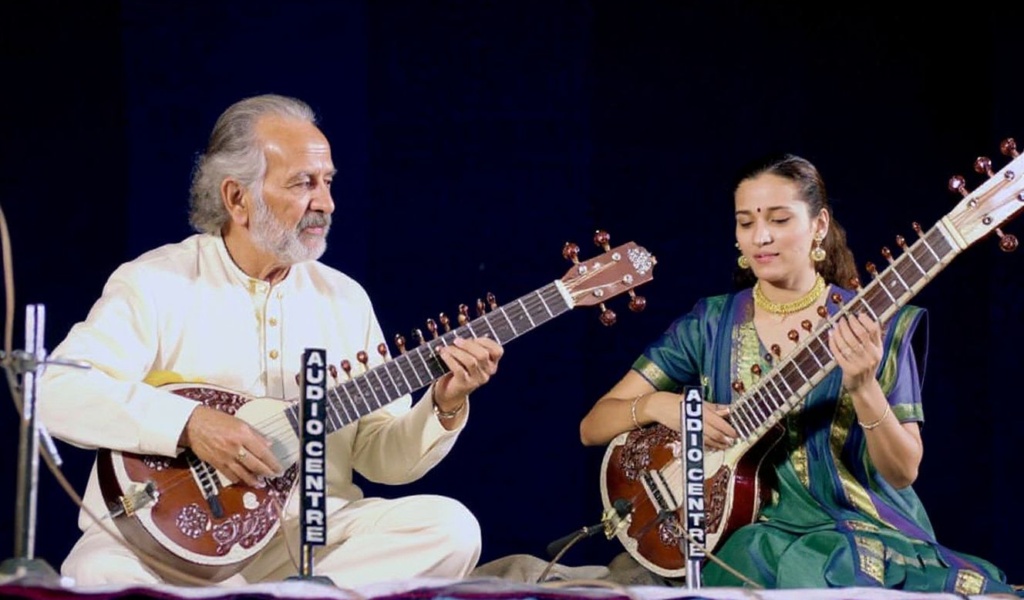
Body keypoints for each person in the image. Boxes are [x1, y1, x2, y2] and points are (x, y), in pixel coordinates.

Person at [38, 94, 504, 588]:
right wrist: (191, 423)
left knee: (449, 529)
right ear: (237, 198)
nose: (325, 202)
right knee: (99, 572)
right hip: (162, 542)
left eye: (327, 182)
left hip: (304, 538)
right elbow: (56, 392)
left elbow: (379, 455)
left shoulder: (343, 299)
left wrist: (444, 405)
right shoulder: (158, 283)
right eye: (303, 183)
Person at [579, 154, 1020, 594]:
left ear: (820, 225)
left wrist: (863, 386)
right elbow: (593, 426)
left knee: (821, 564)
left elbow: (903, 471)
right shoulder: (709, 325)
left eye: (779, 219)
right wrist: (663, 405)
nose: (761, 237)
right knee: (753, 550)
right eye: (746, 222)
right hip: (754, 534)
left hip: (856, 529)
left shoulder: (876, 323)